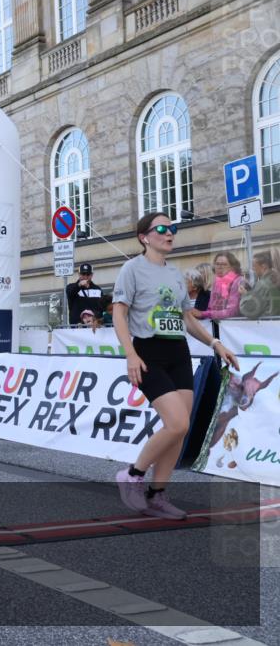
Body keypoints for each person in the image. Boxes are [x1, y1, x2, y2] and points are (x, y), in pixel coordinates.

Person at [113, 212, 239, 519]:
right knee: (178, 423)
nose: (170, 233)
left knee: (179, 431)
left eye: (173, 228)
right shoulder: (132, 269)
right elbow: (119, 313)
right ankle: (132, 475)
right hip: (148, 353)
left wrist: (215, 344)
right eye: (162, 228)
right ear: (144, 236)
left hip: (178, 354)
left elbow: (186, 319)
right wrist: (130, 353)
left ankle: (157, 495)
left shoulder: (175, 274)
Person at [195, 251, 243, 321]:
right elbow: (210, 308)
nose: (220, 267)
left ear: (232, 267)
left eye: (224, 264)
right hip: (218, 325)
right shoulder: (217, 282)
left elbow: (232, 311)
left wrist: (203, 314)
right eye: (217, 264)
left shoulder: (238, 281)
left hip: (234, 327)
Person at [239, 249, 280, 320]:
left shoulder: (263, 284)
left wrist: (245, 294)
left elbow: (248, 309)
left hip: (268, 327)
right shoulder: (275, 279)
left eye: (254, 266)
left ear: (264, 266)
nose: (252, 269)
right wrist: (250, 292)